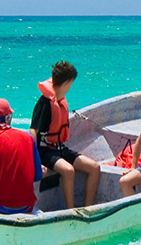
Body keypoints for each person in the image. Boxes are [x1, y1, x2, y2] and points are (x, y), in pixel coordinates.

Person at [31, 61, 101, 209]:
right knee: (68, 171)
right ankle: (71, 210)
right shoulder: (44, 103)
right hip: (45, 151)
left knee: (94, 167)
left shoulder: (59, 100)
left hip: (60, 148)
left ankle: (89, 208)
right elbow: (33, 132)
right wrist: (35, 160)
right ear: (67, 82)